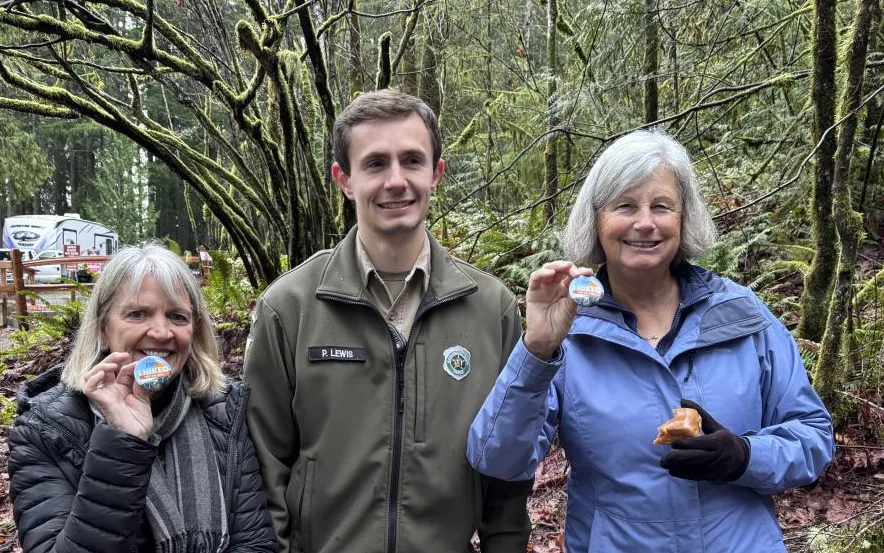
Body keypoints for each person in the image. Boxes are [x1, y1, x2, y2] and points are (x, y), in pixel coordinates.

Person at [467, 129, 835, 553]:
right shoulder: (569, 329)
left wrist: (745, 455)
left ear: (683, 219)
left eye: (661, 206)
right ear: (597, 220)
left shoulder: (740, 314)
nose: (645, 222)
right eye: (625, 206)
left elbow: (814, 436)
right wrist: (536, 351)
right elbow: (498, 460)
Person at [243, 89, 531, 553]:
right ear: (345, 179)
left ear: (436, 173)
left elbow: (507, 471)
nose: (396, 181)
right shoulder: (290, 307)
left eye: (412, 161)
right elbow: (261, 469)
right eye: (375, 164)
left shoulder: (491, 309)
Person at [8, 243, 279, 553]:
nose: (162, 332)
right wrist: (121, 443)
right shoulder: (45, 429)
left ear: (195, 331)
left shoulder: (222, 411)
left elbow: (255, 544)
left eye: (178, 317)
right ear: (102, 329)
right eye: (138, 314)